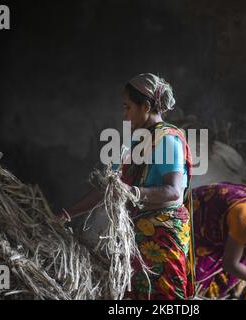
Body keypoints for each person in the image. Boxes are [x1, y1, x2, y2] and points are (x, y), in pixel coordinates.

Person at [59, 73, 195, 300]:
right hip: (136, 238)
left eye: (128, 107)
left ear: (147, 106)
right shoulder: (135, 142)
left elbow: (174, 192)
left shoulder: (167, 140)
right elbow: (108, 189)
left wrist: (133, 192)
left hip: (161, 240)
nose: (125, 114)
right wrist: (66, 214)